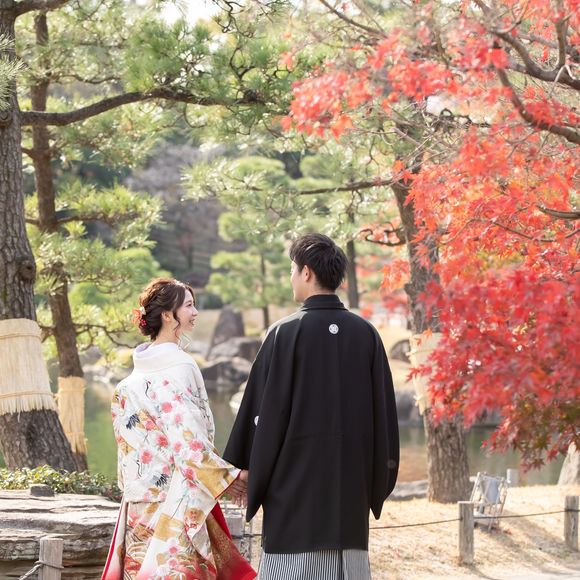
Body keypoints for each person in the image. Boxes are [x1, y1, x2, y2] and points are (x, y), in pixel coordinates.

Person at [223, 234, 399, 579]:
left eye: (292, 269)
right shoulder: (366, 334)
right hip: (350, 493)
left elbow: (262, 415)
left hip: (293, 493)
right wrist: (375, 480)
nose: (291, 277)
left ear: (306, 272)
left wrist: (245, 467)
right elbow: (384, 419)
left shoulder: (284, 333)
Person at [102, 278, 256, 580]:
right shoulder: (181, 367)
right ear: (167, 315)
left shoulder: (125, 385)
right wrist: (232, 477)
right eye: (188, 306)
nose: (195, 313)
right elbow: (190, 444)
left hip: (137, 507)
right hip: (174, 504)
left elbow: (127, 459)